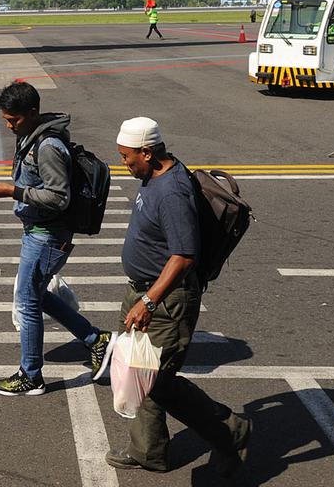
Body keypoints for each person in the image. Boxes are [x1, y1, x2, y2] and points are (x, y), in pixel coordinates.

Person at [105, 117, 251, 476]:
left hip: (165, 301)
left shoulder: (171, 192)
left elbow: (184, 256)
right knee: (141, 374)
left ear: (148, 152)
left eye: (127, 157)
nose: (124, 163)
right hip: (144, 291)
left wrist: (149, 301)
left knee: (159, 380)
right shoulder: (153, 177)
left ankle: (230, 430)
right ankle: (149, 451)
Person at [0, 81, 112, 396]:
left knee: (27, 302)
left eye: (14, 119)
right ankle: (96, 340)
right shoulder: (32, 134)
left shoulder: (48, 147)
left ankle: (31, 375)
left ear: (32, 112)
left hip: (47, 237)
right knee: (36, 295)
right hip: (39, 233)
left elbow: (58, 197)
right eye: (6, 119)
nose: (9, 125)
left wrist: (13, 191)